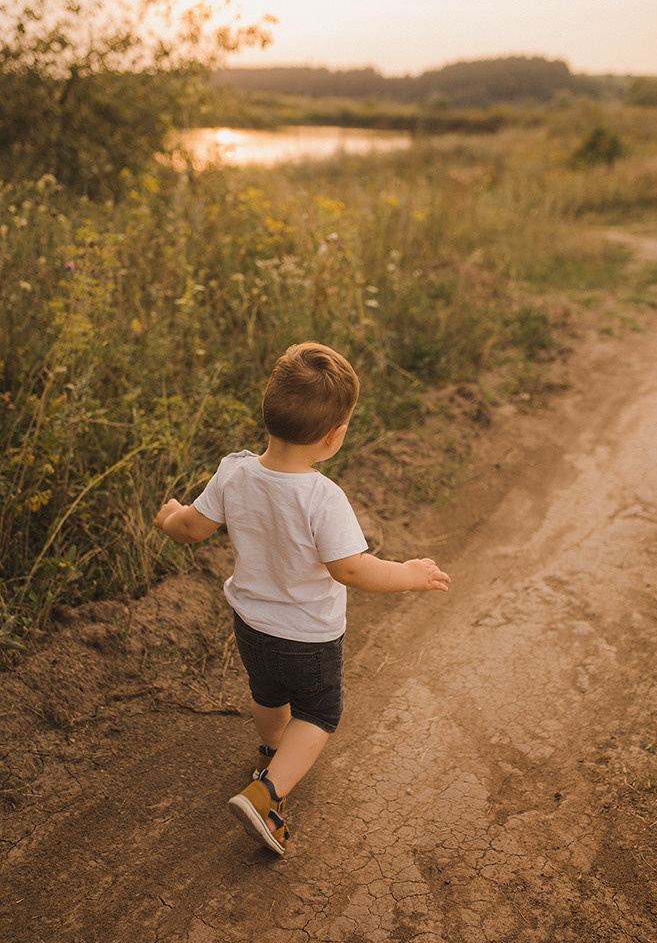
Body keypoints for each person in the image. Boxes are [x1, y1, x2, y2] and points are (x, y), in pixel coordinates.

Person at [153, 342, 450, 855]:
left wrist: (169, 517)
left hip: (250, 624)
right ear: (334, 438)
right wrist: (407, 573)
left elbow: (193, 528)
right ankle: (266, 794)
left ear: (267, 411)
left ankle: (271, 752)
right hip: (309, 637)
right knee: (319, 711)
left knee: (268, 694)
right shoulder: (322, 497)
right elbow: (351, 568)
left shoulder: (234, 470)